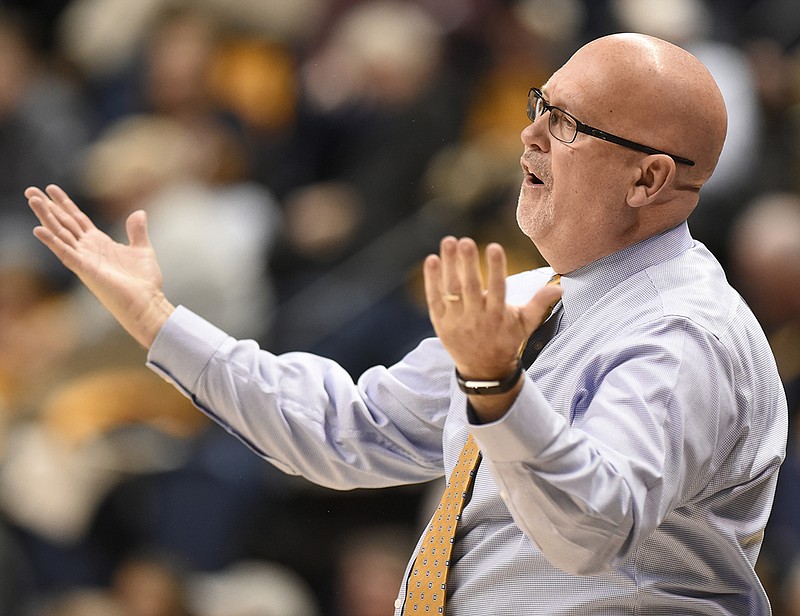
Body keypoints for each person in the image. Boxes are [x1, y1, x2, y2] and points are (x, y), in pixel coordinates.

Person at [26, 32, 787, 615]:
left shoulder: (686, 334)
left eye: (566, 124)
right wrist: (156, 318)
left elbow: (594, 530)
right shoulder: (536, 295)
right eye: (538, 106)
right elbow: (348, 429)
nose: (527, 135)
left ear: (648, 177)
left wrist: (497, 388)